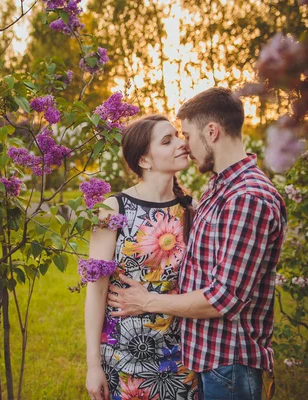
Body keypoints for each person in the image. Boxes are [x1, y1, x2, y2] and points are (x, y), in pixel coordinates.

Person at [107, 87, 286, 400]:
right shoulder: (219, 188)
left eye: (186, 135)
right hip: (206, 360)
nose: (185, 146)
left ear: (212, 132)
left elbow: (223, 298)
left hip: (230, 364)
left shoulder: (246, 197)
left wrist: (147, 301)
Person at [85, 115, 198, 400]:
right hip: (122, 355)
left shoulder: (192, 209)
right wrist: (92, 365)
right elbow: (96, 291)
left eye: (177, 135)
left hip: (181, 356)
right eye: (167, 140)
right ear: (144, 161)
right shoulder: (113, 209)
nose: (181, 143)